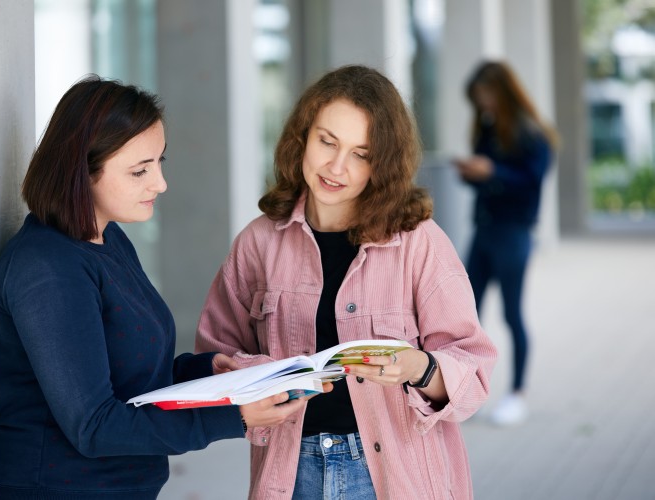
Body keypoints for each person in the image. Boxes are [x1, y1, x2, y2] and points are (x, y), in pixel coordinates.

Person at [0, 75, 313, 499]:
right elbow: (94, 425)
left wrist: (207, 370)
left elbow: (126, 377)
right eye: (139, 170)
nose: (159, 184)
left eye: (159, 163)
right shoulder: (47, 268)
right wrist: (233, 417)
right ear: (80, 172)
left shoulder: (108, 239)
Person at [195, 65, 498, 499]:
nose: (337, 166)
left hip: (396, 476)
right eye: (327, 142)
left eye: (361, 153)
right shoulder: (258, 242)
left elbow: (474, 370)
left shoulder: (419, 243)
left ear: (383, 164)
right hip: (290, 471)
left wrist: (419, 367)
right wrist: (258, 375)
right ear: (302, 136)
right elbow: (214, 356)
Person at [453, 61, 557, 426]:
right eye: (478, 97)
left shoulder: (532, 133)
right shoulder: (488, 127)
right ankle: (462, 391)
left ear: (502, 91)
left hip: (513, 234)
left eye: (485, 95)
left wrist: (492, 172)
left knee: (512, 315)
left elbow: (532, 181)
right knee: (464, 315)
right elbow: (488, 181)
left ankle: (517, 394)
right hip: (483, 231)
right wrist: (473, 173)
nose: (482, 103)